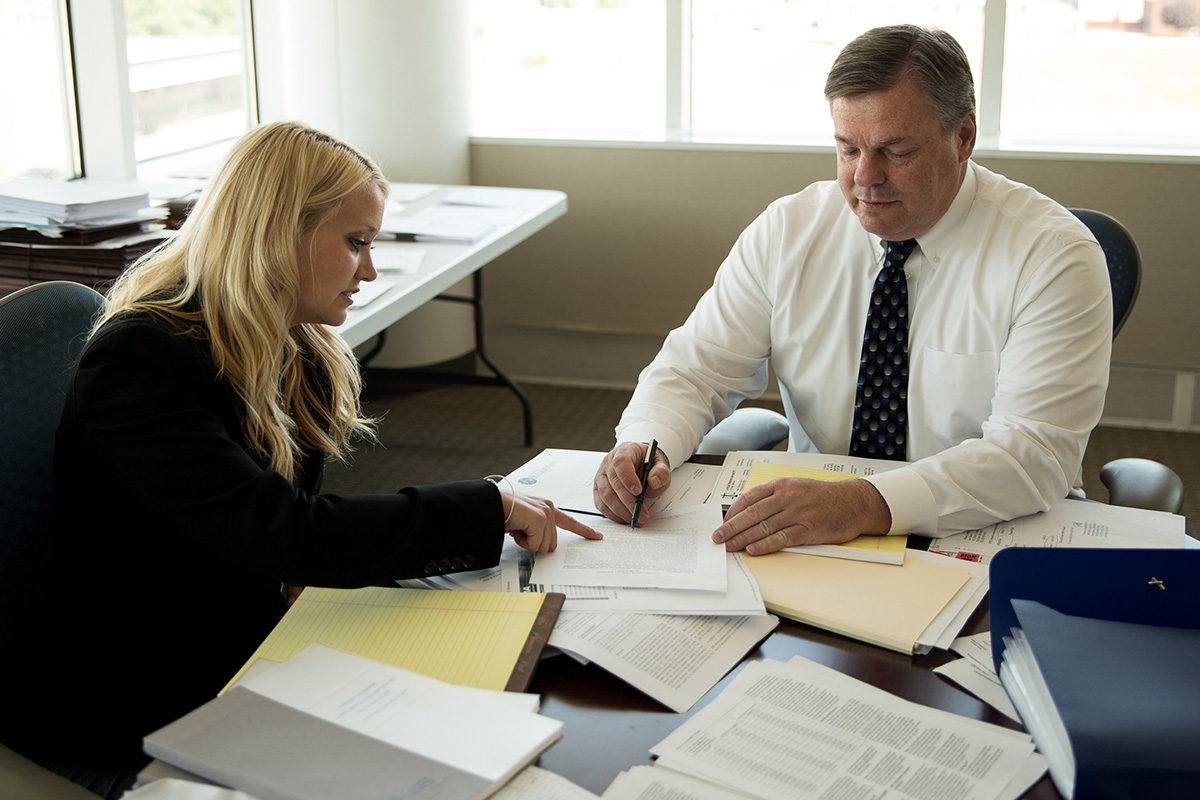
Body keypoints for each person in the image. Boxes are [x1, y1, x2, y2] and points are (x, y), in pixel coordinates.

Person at [0, 121, 600, 797]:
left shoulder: (293, 344)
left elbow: (291, 536)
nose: (368, 270)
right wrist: (486, 507)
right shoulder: (140, 363)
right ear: (276, 230)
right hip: (138, 692)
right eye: (355, 243)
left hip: (245, 634)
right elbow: (286, 533)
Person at [593, 24, 1111, 554]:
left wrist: (860, 503)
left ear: (963, 137)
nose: (865, 178)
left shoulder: (1053, 255)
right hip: (814, 532)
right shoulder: (789, 231)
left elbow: (1032, 454)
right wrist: (644, 443)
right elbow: (695, 368)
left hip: (988, 528)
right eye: (847, 148)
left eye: (896, 151)